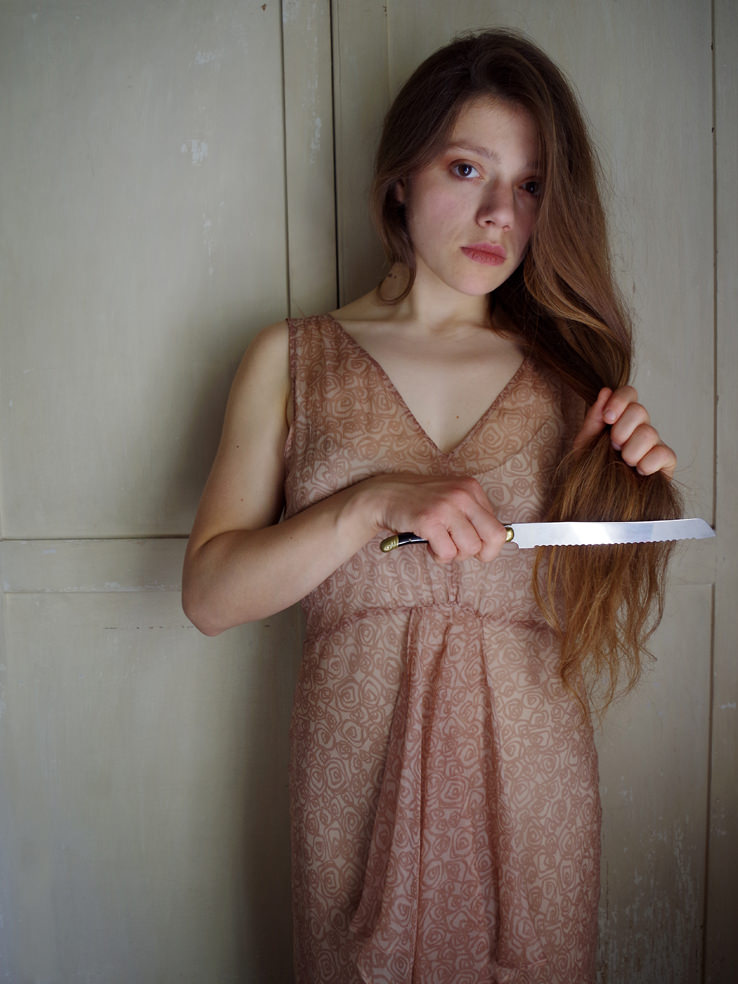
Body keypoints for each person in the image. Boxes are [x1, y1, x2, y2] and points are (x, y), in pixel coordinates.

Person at [182, 28, 680, 984]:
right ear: (400, 178)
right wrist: (367, 503)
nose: (499, 213)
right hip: (355, 784)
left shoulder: (570, 380)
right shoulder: (291, 360)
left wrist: (622, 487)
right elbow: (208, 596)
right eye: (466, 168)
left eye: (530, 185)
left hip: (530, 786)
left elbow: (581, 620)